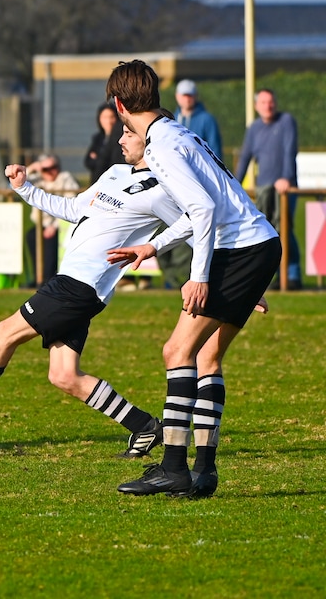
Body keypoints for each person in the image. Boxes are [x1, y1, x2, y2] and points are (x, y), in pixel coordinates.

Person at [0, 123, 176, 458]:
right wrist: (25, 188)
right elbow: (73, 209)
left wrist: (160, 251)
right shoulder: (115, 172)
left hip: (81, 285)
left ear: (151, 140)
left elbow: (194, 224)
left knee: (5, 333)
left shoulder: (162, 190)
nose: (120, 139)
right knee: (64, 375)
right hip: (74, 282)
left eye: (129, 133)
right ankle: (145, 426)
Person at [106, 60, 280, 499]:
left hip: (239, 250)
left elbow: (203, 210)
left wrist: (200, 278)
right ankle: (204, 471)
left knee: (177, 351)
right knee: (207, 357)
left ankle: (172, 468)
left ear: (120, 104)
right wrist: (154, 247)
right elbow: (206, 205)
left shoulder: (160, 147)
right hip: (258, 244)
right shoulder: (177, 132)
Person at [236, 88, 301, 290]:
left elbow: (290, 151)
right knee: (267, 232)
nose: (268, 106)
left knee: (284, 228)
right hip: (264, 188)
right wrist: (234, 184)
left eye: (271, 102)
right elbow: (245, 157)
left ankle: (292, 274)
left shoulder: (286, 121)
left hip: (285, 188)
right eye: (263, 102)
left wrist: (286, 178)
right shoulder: (254, 128)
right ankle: (274, 275)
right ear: (256, 106)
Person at [159, 79, 222, 289]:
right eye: (183, 95)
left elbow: (214, 153)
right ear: (177, 97)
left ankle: (186, 278)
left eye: (190, 95)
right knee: (166, 230)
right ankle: (171, 277)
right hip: (171, 187)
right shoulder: (171, 119)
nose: (187, 99)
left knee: (191, 232)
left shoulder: (207, 120)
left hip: (197, 187)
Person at [23, 154, 80, 285]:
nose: (50, 172)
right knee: (31, 236)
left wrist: (54, 225)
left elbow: (71, 205)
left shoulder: (65, 178)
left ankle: (48, 279)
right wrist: (31, 168)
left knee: (50, 241)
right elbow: (13, 185)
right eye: (45, 169)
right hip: (41, 224)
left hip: (62, 224)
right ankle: (37, 277)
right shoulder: (37, 179)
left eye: (53, 167)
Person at [84, 103, 126, 183]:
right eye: (105, 117)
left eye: (111, 117)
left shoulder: (121, 139)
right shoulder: (97, 138)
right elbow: (88, 162)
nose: (108, 121)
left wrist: (98, 159)